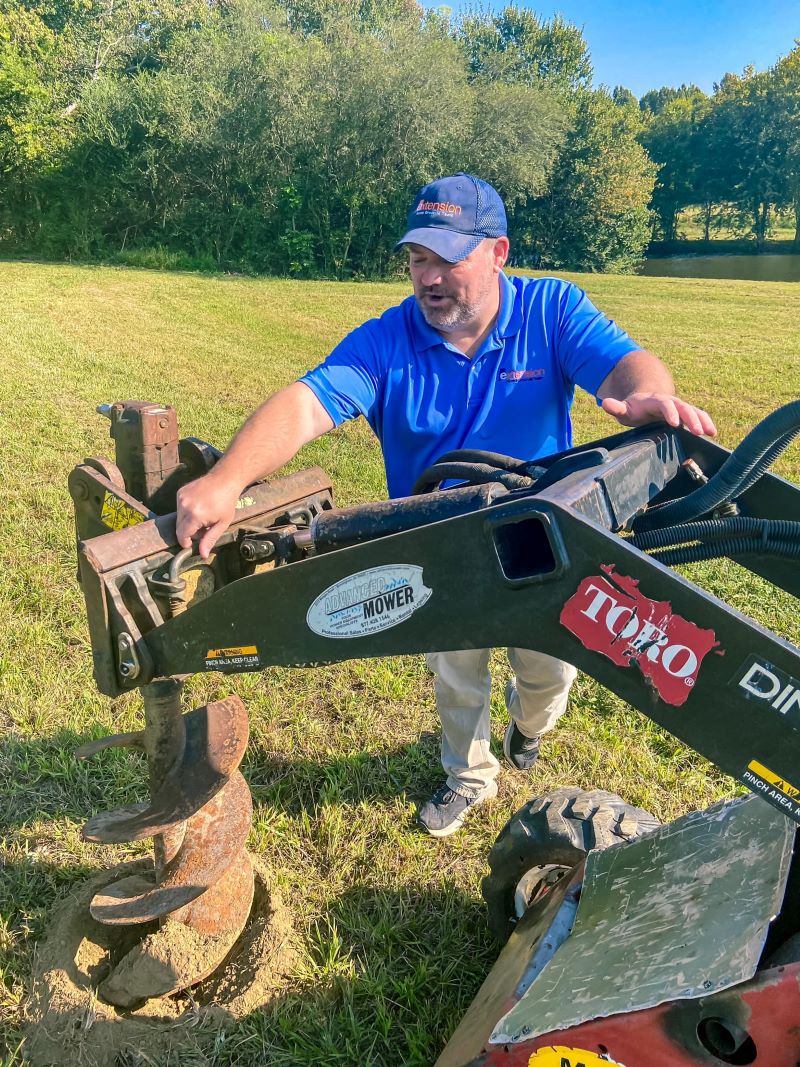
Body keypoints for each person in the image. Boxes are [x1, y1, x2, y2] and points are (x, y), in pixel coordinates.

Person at [176, 173, 716, 838]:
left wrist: (645, 398)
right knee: (457, 674)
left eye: (447, 258)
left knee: (549, 672)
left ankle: (529, 723)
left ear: (498, 252)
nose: (429, 277)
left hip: (545, 541)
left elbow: (626, 364)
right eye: (417, 259)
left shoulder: (551, 311)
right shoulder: (387, 340)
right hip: (437, 548)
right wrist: (228, 478)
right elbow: (309, 402)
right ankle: (470, 776)